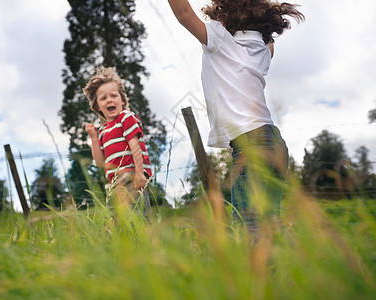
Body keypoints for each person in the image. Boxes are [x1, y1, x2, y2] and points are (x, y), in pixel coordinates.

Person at [168, 0, 304, 229]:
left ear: (226, 16)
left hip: (250, 144)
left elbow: (183, 13)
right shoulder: (262, 49)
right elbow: (269, 42)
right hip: (275, 142)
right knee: (270, 222)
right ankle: (292, 264)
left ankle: (259, 265)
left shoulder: (220, 38)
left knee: (248, 224)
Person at [83, 67, 152, 214]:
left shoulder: (126, 117)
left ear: (122, 100)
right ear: (97, 106)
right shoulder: (102, 131)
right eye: (103, 98)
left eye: (113, 96)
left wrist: (140, 173)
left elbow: (135, 145)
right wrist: (94, 138)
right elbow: (101, 162)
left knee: (139, 218)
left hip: (132, 178)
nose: (109, 100)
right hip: (114, 185)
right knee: (117, 225)